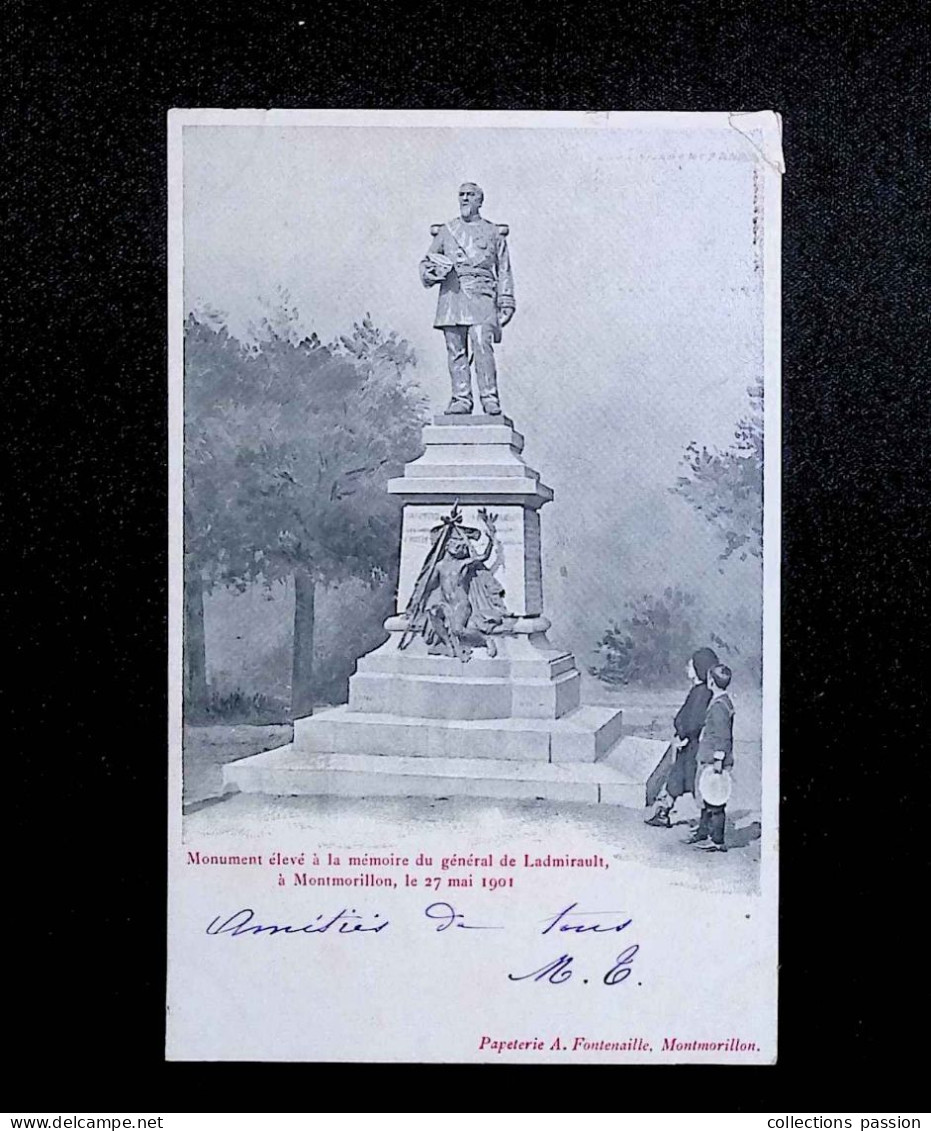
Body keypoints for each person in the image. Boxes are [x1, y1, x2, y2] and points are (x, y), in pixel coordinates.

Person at [419, 182, 515, 415]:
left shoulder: (494, 233)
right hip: (453, 294)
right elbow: (427, 261)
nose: (464, 199)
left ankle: (489, 397)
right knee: (456, 349)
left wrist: (506, 300)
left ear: (480, 201)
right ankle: (461, 398)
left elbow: (503, 269)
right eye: (461, 195)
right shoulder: (447, 230)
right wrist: (431, 272)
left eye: (470, 195)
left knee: (482, 344)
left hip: (481, 293)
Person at [645, 647, 719, 828]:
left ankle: (709, 821)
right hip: (687, 744)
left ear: (699, 668)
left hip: (693, 745)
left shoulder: (702, 693)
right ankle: (664, 811)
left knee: (695, 781)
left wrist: (684, 734)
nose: (687, 667)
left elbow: (695, 720)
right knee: (677, 778)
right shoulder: (699, 690)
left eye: (691, 664)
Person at [688, 663, 736, 853]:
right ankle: (702, 831)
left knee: (715, 800)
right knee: (706, 795)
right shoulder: (723, 701)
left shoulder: (719, 706)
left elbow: (723, 737)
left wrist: (718, 760)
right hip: (709, 757)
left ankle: (717, 840)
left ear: (712, 681)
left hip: (713, 760)